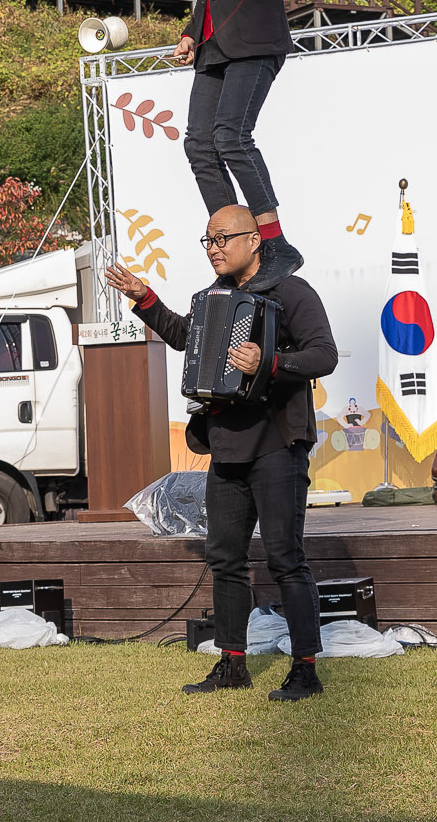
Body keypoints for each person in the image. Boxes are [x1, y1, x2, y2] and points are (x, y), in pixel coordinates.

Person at [104, 205, 338, 701]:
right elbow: (187, 339)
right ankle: (232, 663)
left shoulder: (292, 291)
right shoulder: (216, 299)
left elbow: (325, 355)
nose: (214, 249)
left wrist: (269, 361)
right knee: (225, 559)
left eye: (223, 239)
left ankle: (306, 670)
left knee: (285, 559)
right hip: (227, 444)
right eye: (208, 241)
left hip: (277, 443)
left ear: (255, 240)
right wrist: (145, 299)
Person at [160, 0, 356, 281]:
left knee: (231, 136)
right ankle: (233, 244)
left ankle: (276, 246)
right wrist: (191, 31)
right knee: (199, 146)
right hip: (212, 42)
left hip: (254, 37)